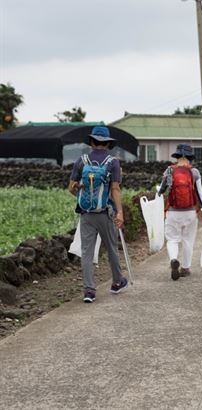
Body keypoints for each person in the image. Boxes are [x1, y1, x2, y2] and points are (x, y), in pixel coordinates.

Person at [68, 126, 127, 303]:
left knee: (87, 251)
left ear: (92, 142)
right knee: (111, 249)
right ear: (108, 143)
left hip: (86, 214)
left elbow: (71, 188)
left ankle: (89, 290)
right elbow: (115, 189)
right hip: (105, 213)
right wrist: (120, 212)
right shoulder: (113, 162)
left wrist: (81, 193)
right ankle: (117, 282)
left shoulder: (81, 160)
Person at [158, 144, 202, 280]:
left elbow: (161, 190)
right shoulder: (194, 172)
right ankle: (185, 268)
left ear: (177, 156)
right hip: (191, 212)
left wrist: (159, 194)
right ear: (189, 157)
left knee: (172, 239)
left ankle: (174, 259)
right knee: (188, 240)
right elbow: (200, 193)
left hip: (173, 212)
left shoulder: (169, 170)